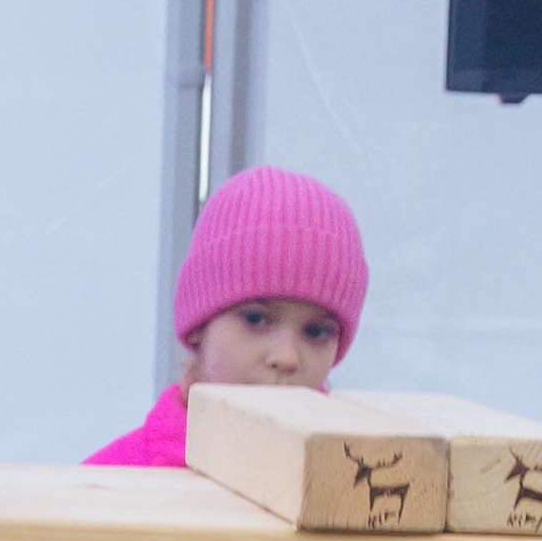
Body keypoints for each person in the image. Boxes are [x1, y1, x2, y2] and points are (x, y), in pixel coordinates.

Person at [89, 161, 367, 465]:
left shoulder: (373, 490)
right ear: (199, 327)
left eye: (317, 332)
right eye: (255, 319)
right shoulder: (104, 486)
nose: (287, 358)